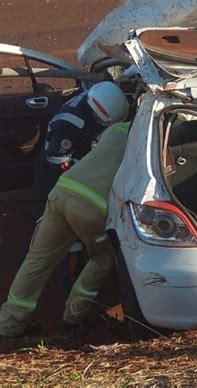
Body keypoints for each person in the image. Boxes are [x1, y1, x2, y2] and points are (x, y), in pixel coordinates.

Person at [0, 121, 130, 338]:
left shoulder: (117, 129)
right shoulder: (150, 139)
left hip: (62, 191)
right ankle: (74, 316)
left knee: (38, 259)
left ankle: (9, 324)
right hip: (93, 207)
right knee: (102, 259)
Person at [34, 81, 129, 199]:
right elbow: (57, 160)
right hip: (55, 177)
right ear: (96, 114)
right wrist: (88, 166)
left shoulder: (94, 96)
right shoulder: (68, 125)